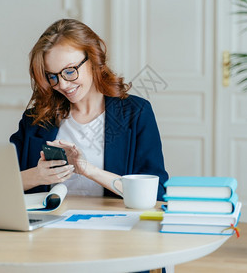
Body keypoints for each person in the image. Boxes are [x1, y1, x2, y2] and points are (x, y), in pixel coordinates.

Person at [10, 18, 168, 200]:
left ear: (93, 59)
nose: (62, 84)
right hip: (46, 226)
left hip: (113, 226)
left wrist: (88, 170)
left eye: (69, 71)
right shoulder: (36, 118)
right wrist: (37, 176)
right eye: (52, 76)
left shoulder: (136, 113)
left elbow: (156, 192)